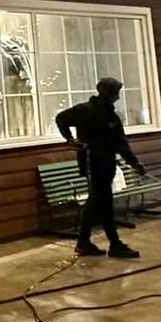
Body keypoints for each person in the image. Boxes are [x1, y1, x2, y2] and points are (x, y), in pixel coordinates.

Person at [55, 77, 143, 259]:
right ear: (107, 93)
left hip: (108, 162)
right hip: (92, 162)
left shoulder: (112, 116)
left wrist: (134, 163)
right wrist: (70, 139)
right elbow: (61, 118)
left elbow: (121, 144)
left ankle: (84, 242)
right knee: (104, 202)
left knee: (96, 202)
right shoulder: (85, 111)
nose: (118, 98)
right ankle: (114, 243)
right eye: (116, 93)